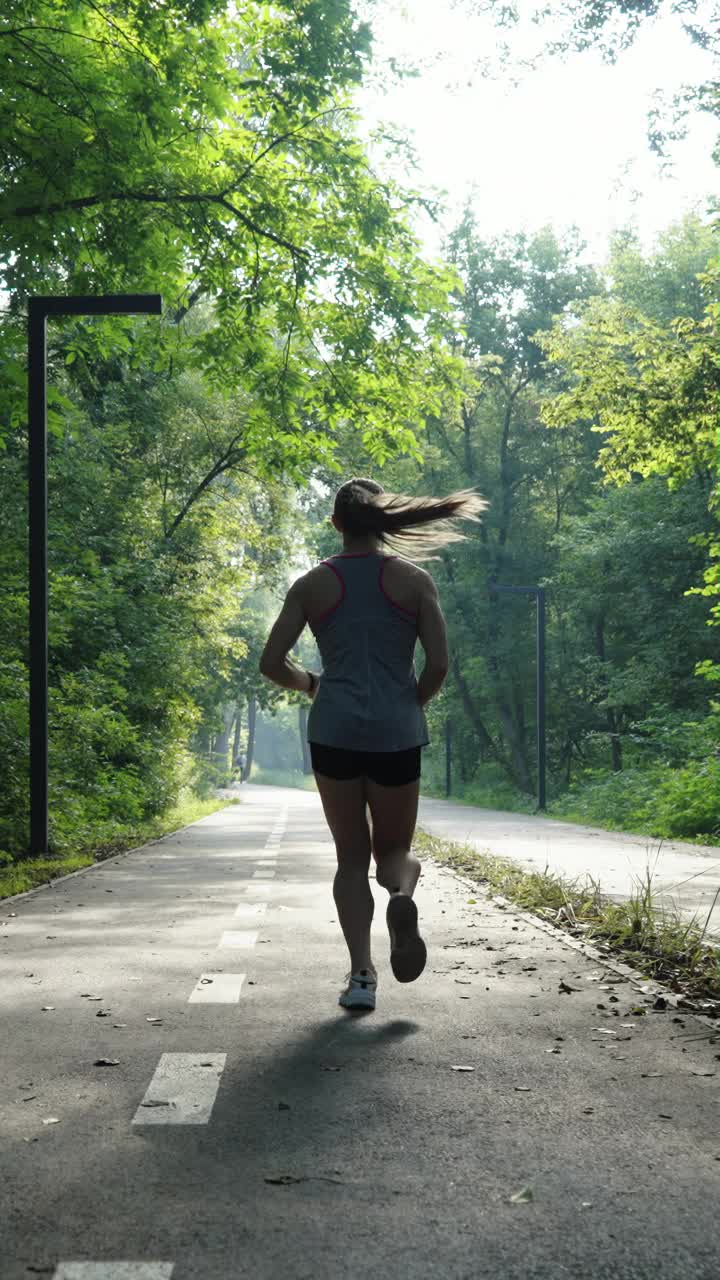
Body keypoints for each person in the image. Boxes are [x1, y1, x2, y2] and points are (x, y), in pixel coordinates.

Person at [259, 477, 488, 1011]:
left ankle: (362, 978)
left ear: (337, 524)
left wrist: (313, 684)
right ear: (382, 520)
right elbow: (438, 665)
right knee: (395, 853)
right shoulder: (414, 581)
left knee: (349, 859)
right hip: (396, 732)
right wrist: (409, 706)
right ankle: (402, 897)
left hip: (334, 730)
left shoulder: (312, 585)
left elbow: (272, 664)